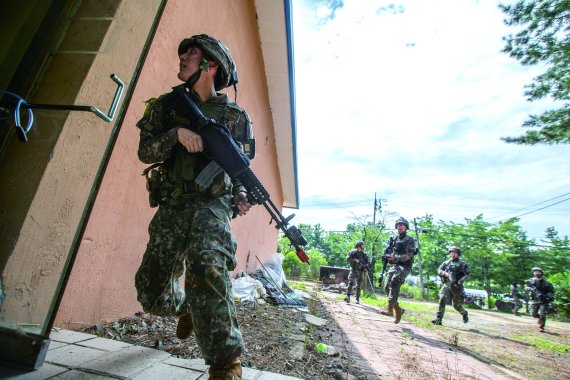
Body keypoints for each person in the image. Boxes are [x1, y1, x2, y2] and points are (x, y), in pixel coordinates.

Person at [134, 34, 254, 379]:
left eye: (191, 53)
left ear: (210, 64)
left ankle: (226, 362)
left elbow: (242, 166)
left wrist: (242, 196)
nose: (182, 57)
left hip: (213, 205)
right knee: (151, 291)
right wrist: (176, 135)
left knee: (208, 269)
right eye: (183, 52)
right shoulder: (166, 106)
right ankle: (188, 306)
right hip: (173, 202)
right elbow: (145, 152)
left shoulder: (235, 116)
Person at [380, 217, 416, 324]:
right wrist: (385, 256)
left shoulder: (410, 240)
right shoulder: (393, 239)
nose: (400, 226)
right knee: (387, 287)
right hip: (394, 265)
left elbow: (408, 255)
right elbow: (388, 250)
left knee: (395, 281)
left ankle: (389, 309)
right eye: (398, 225)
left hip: (405, 266)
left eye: (402, 225)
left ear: (406, 227)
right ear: (396, 227)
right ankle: (398, 310)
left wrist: (396, 258)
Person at [432, 246, 470, 326]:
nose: (453, 254)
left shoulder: (462, 264)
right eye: (452, 252)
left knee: (456, 305)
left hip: (456, 287)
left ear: (458, 254)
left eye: (455, 253)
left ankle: (464, 313)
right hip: (447, 285)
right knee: (442, 300)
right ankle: (439, 319)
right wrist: (445, 274)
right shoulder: (446, 263)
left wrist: (459, 281)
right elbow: (439, 270)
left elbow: (467, 275)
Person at [525, 267, 555, 332]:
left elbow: (551, 291)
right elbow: (526, 288)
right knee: (533, 314)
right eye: (535, 272)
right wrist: (530, 289)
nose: (536, 273)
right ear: (533, 273)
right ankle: (540, 319)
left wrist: (548, 296)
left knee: (542, 314)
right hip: (534, 300)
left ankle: (541, 326)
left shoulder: (547, 283)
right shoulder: (530, 281)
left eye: (538, 272)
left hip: (543, 300)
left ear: (541, 273)